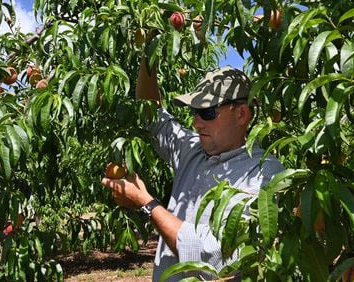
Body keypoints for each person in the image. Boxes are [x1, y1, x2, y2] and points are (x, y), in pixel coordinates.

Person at [101, 57, 285, 281]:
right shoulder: (193, 150)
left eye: (207, 113)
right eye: (195, 112)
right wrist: (150, 49)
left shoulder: (264, 174)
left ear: (241, 114)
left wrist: (147, 204)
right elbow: (151, 113)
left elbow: (217, 255)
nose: (197, 123)